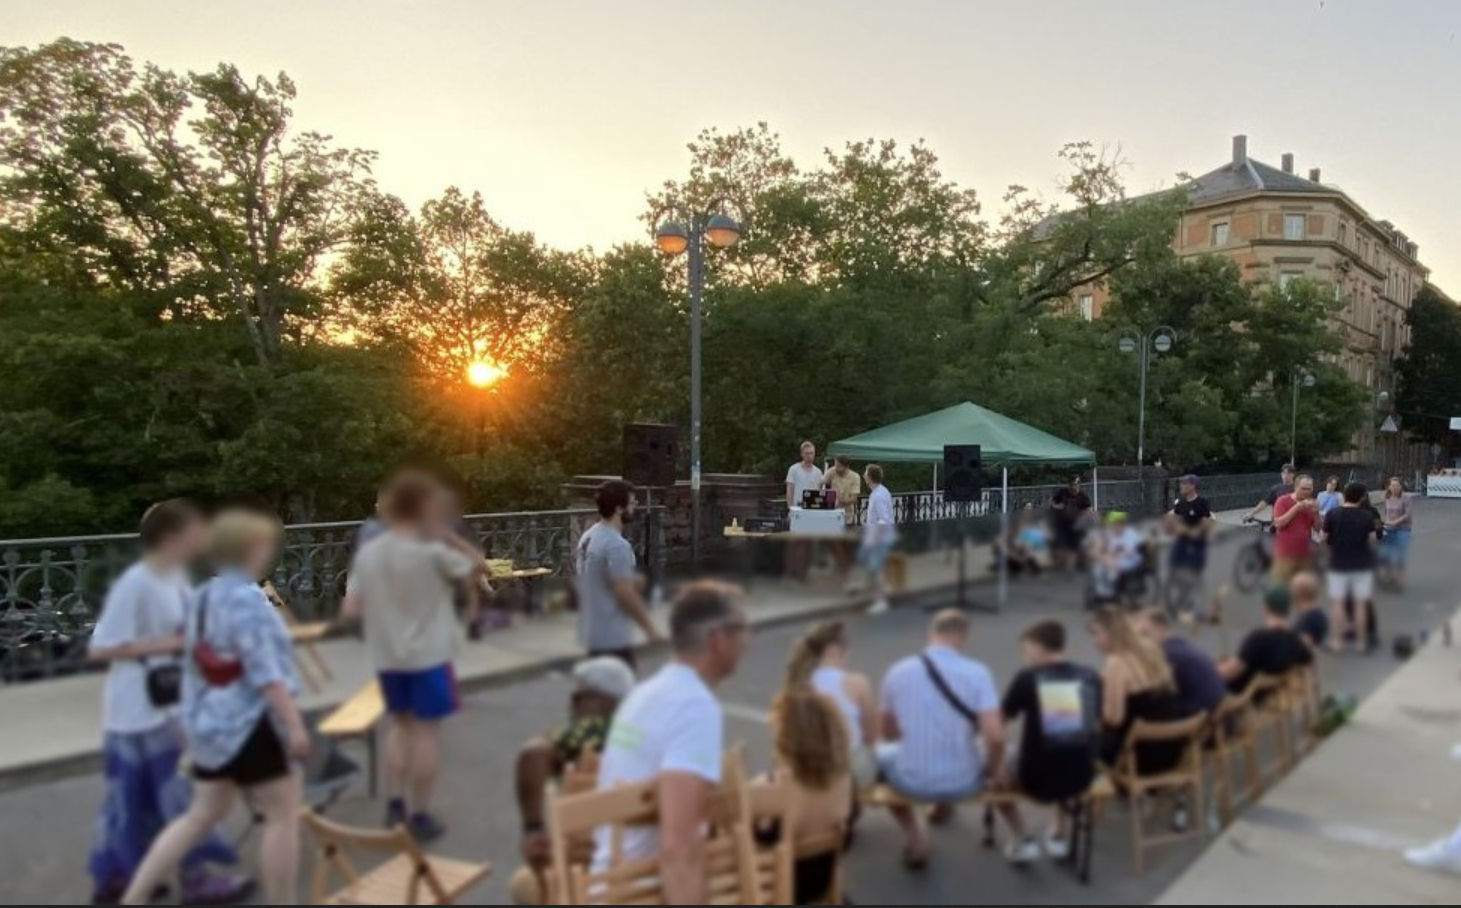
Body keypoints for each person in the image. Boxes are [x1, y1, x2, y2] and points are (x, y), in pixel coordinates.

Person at [121, 510, 307, 906]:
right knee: (282, 817)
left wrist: (192, 725)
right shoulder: (248, 600)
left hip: (211, 725)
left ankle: (134, 898)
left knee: (199, 817)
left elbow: (194, 665)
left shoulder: (203, 597)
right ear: (252, 548)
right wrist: (294, 725)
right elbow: (263, 671)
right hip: (252, 724)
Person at [86, 501, 252, 905]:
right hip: (137, 712)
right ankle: (188, 880)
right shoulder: (136, 583)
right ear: (171, 537)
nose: (203, 536)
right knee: (164, 798)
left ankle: (125, 877)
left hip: (168, 704)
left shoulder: (175, 578)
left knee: (150, 799)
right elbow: (101, 649)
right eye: (196, 529)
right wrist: (174, 644)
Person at [342, 471, 483, 841]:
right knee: (425, 735)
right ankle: (419, 815)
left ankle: (394, 806)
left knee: (399, 728)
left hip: (388, 656)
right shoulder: (431, 551)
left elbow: (351, 610)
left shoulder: (369, 553)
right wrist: (448, 536)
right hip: (430, 656)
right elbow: (477, 567)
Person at [591, 581, 750, 905]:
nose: (748, 641)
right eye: (743, 630)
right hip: (640, 891)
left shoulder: (645, 694)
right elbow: (679, 848)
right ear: (718, 640)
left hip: (609, 881)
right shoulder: (694, 706)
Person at [877, 609, 1005, 869]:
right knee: (969, 748)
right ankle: (940, 807)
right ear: (962, 638)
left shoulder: (898, 671)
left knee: (881, 756)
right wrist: (993, 770)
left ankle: (915, 837)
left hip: (911, 781)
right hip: (964, 781)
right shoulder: (979, 673)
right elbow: (996, 737)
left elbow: (888, 732)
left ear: (930, 634)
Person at [511, 657, 636, 905]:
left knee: (523, 885)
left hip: (590, 875)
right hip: (642, 870)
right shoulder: (643, 734)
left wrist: (532, 828)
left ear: (592, 698)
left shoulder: (593, 730)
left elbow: (532, 755)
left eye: (578, 696)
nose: (572, 704)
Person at [994, 621, 1102, 865]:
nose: (1025, 656)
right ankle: (1057, 831)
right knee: (1066, 745)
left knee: (995, 774)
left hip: (1035, 777)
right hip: (1081, 776)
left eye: (1026, 650)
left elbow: (1000, 719)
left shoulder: (1028, 678)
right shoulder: (1091, 676)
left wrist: (997, 758)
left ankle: (1023, 838)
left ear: (1037, 646)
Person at [757, 688, 854, 905]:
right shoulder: (845, 780)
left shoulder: (774, 787)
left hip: (778, 891)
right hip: (821, 885)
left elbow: (760, 839)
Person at [573, 480, 661, 672]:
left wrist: (631, 580)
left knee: (604, 694)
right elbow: (625, 594)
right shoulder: (617, 546)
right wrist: (650, 629)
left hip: (592, 628)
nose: (635, 507)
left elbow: (594, 578)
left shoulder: (588, 537)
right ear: (619, 509)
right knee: (620, 694)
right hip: (611, 634)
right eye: (632, 503)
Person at [782, 621, 879, 788]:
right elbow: (871, 736)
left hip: (808, 768)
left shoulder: (798, 684)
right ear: (835, 650)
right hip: (849, 768)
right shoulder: (857, 683)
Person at [1087, 608, 1182, 776]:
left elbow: (1114, 719)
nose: (1094, 640)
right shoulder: (1150, 651)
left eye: (1097, 633)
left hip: (1138, 758)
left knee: (1071, 738)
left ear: (1113, 633)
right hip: (1170, 750)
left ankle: (1076, 793)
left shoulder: (1116, 663)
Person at [1219, 586, 1315, 696]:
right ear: (1288, 610)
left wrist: (1211, 672)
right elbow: (1308, 660)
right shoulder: (1295, 642)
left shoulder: (1258, 638)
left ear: (1266, 608)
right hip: (1268, 693)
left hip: (1240, 692)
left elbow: (1233, 671)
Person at [1134, 609, 1227, 721]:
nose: (1140, 642)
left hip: (1201, 723)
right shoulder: (1183, 643)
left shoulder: (1166, 654)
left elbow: (1147, 690)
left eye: (1145, 634)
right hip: (1218, 716)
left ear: (1162, 627)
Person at [1322, 482, 1380, 654]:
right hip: (1361, 564)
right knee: (1361, 604)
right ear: (1362, 497)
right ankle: (1362, 643)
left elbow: (1323, 538)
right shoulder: (1366, 516)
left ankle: (1337, 642)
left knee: (1338, 604)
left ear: (1344, 495)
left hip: (1338, 563)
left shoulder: (1332, 514)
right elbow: (1373, 541)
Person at [1166, 475, 1214, 613]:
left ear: (1192, 486)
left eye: (1184, 483)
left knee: (1195, 574)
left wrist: (1195, 532)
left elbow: (1206, 522)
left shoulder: (1202, 503)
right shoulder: (1180, 503)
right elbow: (1173, 517)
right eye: (1180, 483)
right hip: (1181, 541)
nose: (1181, 486)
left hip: (1197, 543)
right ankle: (1182, 592)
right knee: (1174, 567)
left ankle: (1197, 602)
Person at [860, 464, 898, 615]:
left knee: (877, 570)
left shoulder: (879, 495)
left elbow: (885, 520)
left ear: (870, 477)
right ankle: (884, 591)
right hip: (879, 537)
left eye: (865, 473)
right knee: (874, 568)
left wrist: (874, 539)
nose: (863, 475)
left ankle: (881, 600)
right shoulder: (879, 492)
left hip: (880, 539)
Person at [785, 441, 825, 582]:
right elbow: (789, 489)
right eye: (807, 453)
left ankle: (803, 573)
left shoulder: (818, 472)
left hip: (811, 511)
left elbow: (820, 493)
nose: (810, 456)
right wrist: (789, 508)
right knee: (795, 543)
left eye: (812, 453)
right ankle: (791, 572)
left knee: (809, 543)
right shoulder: (794, 469)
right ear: (802, 454)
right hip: (797, 510)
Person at [1271, 474, 1320, 583]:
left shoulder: (1312, 502)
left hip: (1305, 554)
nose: (1307, 492)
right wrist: (1296, 508)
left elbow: (1317, 528)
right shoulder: (1282, 500)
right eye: (1303, 489)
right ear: (1295, 487)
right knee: (1281, 589)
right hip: (1285, 554)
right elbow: (1278, 524)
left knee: (1303, 590)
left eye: (1309, 489)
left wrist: (1317, 513)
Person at [821, 456, 863, 574]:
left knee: (846, 543)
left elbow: (854, 499)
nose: (836, 468)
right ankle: (837, 566)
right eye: (835, 465)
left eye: (838, 466)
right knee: (833, 542)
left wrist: (841, 501)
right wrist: (821, 496)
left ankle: (847, 568)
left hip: (847, 515)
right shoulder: (832, 471)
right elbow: (820, 482)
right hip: (832, 516)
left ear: (846, 466)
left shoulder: (855, 477)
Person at [1092, 512, 1144, 603]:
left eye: (1116, 525)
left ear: (1121, 524)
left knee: (1113, 567)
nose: (1114, 528)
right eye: (1113, 526)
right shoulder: (1113, 536)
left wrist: (1114, 557)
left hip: (1131, 560)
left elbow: (1130, 551)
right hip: (1117, 560)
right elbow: (1110, 550)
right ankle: (1102, 593)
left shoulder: (1130, 533)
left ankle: (1113, 594)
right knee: (1100, 567)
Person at [1050, 477, 1093, 572]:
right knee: (1060, 545)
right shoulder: (1063, 493)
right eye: (1072, 485)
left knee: (1075, 547)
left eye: (1076, 485)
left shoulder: (1083, 496)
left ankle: (1071, 568)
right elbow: (1052, 502)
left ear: (1079, 485)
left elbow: (1089, 510)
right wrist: (1057, 506)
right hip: (1063, 523)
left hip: (1076, 524)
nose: (1074, 487)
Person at [1379, 477, 1414, 590]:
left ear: (1401, 487)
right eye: (1392, 485)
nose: (1395, 488)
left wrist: (1395, 522)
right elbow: (1386, 513)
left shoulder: (1406, 498)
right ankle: (1388, 578)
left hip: (1403, 529)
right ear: (1389, 487)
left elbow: (1407, 515)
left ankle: (1399, 580)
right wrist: (1386, 523)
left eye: (1397, 485)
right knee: (1386, 555)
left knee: (1400, 556)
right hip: (1389, 529)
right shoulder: (1387, 497)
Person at [1289, 572, 1329, 652]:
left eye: (1292, 589)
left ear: (1298, 594)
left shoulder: (1306, 619)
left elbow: (1305, 641)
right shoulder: (1318, 613)